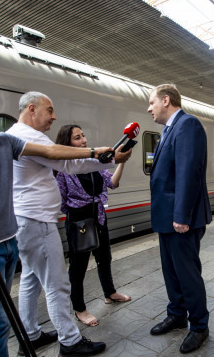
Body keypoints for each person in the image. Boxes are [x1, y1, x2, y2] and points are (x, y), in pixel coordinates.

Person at [0, 78, 112, 357]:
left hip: (8, 240)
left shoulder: (0, 141)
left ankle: (27, 335)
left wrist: (96, 153)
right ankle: (66, 341)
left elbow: (51, 151)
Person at [7, 92, 127, 356]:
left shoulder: (20, 133)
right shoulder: (27, 135)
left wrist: (108, 159)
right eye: (49, 110)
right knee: (57, 284)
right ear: (31, 109)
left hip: (29, 220)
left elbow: (70, 164)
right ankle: (70, 341)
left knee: (30, 280)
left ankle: (30, 335)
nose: (54, 116)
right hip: (37, 220)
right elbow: (65, 161)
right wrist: (99, 152)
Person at [146, 84, 211, 354]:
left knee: (187, 274)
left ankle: (199, 326)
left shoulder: (188, 125)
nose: (149, 108)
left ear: (166, 99)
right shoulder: (170, 129)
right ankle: (176, 313)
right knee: (171, 271)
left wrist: (182, 215)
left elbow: (188, 172)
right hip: (166, 217)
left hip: (180, 218)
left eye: (151, 103)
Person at [55, 124, 131, 328]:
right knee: (78, 266)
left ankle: (109, 293)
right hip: (79, 218)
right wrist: (78, 210)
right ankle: (79, 308)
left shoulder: (93, 162)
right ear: (67, 143)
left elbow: (112, 183)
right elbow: (61, 200)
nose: (84, 140)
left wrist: (122, 162)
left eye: (83, 136)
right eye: (77, 138)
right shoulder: (63, 168)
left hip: (98, 215)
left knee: (104, 256)